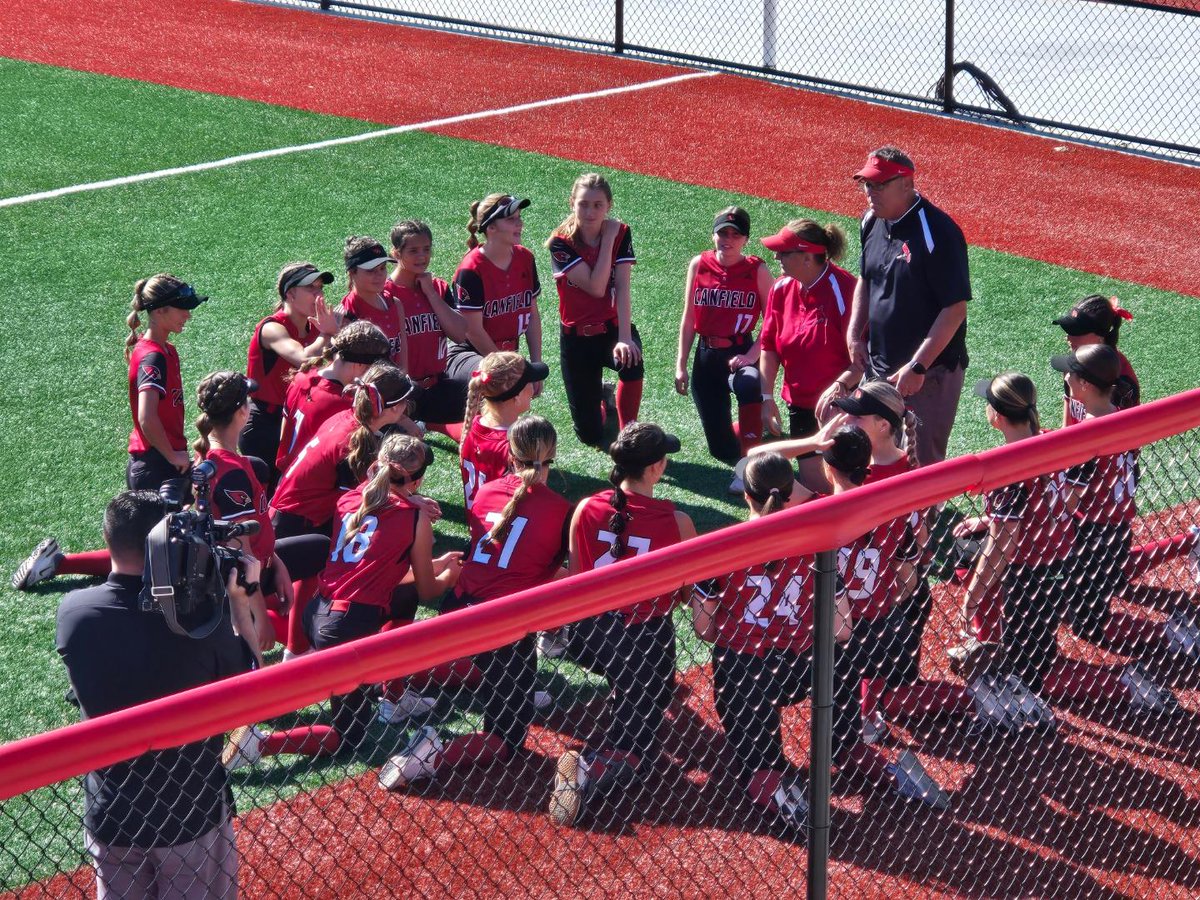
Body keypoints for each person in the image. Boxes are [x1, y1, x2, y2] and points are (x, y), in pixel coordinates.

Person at [692, 441, 947, 835]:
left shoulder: (718, 548)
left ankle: (777, 788)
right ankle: (868, 757)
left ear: (746, 494)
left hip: (747, 673)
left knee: (759, 763)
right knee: (839, 652)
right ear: (789, 488)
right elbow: (844, 627)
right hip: (808, 665)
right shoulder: (816, 543)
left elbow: (704, 630)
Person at [56, 490, 256, 899]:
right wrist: (238, 600)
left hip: (111, 812)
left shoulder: (74, 612)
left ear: (106, 536)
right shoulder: (199, 623)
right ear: (165, 542)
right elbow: (252, 684)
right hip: (189, 811)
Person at [379, 416, 571, 790]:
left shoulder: (486, 493)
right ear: (552, 455)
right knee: (508, 739)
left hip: (459, 607)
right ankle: (434, 753)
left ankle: (393, 676)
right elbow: (553, 572)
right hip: (503, 626)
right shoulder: (561, 509)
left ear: (510, 456)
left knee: (477, 669)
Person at [549, 422, 697, 827]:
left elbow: (577, 578)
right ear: (654, 469)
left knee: (634, 690)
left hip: (587, 634)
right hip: (644, 641)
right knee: (640, 751)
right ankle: (588, 768)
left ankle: (621, 696)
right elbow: (685, 597)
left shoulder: (585, 508)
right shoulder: (676, 521)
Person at [303, 434, 463, 753]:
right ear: (416, 480)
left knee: (402, 595)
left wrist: (433, 563)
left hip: (318, 611)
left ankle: (393, 695)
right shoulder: (413, 517)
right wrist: (449, 576)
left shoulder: (350, 500)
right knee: (350, 738)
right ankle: (262, 744)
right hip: (347, 628)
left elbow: (371, 566)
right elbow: (429, 587)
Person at [1051, 346, 1177, 711]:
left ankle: (1168, 635)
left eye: (1070, 374)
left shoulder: (1087, 435)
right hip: (1118, 529)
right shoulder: (1121, 416)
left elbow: (1069, 502)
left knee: (1087, 623)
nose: (1065, 379)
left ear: (1086, 385)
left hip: (1092, 536)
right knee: (1085, 608)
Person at [847, 147, 971, 468]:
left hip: (928, 374)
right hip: (878, 366)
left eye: (879, 185)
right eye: (867, 185)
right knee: (868, 451)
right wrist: (855, 334)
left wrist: (918, 366)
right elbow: (867, 278)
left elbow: (955, 309)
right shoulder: (870, 221)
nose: (870, 193)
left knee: (920, 461)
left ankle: (924, 520)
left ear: (906, 184)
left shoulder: (938, 233)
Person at [193, 371, 332, 653]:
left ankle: (295, 637)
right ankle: (297, 644)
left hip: (253, 564)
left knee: (318, 549)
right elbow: (243, 556)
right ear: (242, 412)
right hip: (235, 582)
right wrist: (258, 618)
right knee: (321, 550)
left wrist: (277, 561)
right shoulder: (230, 474)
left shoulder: (217, 456)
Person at [759, 219, 861, 489]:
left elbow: (864, 359)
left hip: (840, 406)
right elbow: (769, 345)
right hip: (800, 404)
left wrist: (840, 388)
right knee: (815, 485)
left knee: (843, 484)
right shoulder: (781, 289)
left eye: (783, 251)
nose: (776, 256)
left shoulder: (845, 291)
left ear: (806, 258)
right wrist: (766, 397)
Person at [674, 207, 773, 479]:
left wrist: (752, 356)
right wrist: (681, 364)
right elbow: (688, 317)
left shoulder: (757, 270)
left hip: (740, 350)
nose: (728, 239)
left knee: (749, 382)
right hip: (706, 355)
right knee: (722, 449)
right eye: (722, 233)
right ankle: (749, 427)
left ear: (745, 240)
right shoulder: (699, 264)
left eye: (735, 234)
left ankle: (750, 464)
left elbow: (775, 320)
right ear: (713, 235)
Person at [271, 362, 418, 540]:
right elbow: (353, 506)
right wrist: (406, 502)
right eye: (405, 401)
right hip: (295, 527)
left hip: (284, 513)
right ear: (395, 407)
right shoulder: (355, 444)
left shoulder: (347, 417)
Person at [547, 173, 642, 447]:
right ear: (572, 203)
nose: (590, 211)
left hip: (611, 329)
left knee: (632, 359)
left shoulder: (622, 232)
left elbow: (622, 287)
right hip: (576, 338)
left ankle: (630, 434)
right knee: (590, 436)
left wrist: (625, 337)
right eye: (583, 204)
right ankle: (602, 397)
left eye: (598, 205)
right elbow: (596, 287)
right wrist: (609, 237)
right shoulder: (560, 242)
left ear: (609, 206)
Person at [242, 262, 339, 489]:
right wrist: (327, 333)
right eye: (310, 288)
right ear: (290, 294)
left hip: (299, 419)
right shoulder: (271, 327)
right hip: (265, 424)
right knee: (269, 493)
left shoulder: (315, 329)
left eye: (320, 288)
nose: (318, 294)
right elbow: (303, 358)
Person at [125, 273, 208, 501]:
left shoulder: (167, 350)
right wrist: (172, 455)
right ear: (159, 310)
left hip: (161, 461)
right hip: (154, 466)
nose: (188, 315)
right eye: (181, 308)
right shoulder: (153, 356)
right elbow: (146, 417)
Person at [446, 194, 543, 388]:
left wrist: (535, 364)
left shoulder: (525, 258)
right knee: (499, 385)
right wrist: (507, 368)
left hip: (508, 353)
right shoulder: (471, 269)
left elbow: (532, 316)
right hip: (470, 354)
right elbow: (473, 331)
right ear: (491, 228)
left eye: (519, 217)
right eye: (511, 219)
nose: (520, 223)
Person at [385, 220, 470, 437]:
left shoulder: (438, 287)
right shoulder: (384, 294)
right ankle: (425, 423)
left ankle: (430, 423)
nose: (422, 256)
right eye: (413, 251)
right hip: (400, 393)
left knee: (485, 397)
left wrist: (431, 294)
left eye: (426, 249)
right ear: (396, 252)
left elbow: (459, 335)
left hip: (437, 384)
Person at [276, 321, 390, 475]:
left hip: (286, 475)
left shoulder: (303, 377)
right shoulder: (343, 403)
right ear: (359, 365)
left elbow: (285, 429)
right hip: (314, 484)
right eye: (375, 368)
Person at [459, 352, 549, 511]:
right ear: (517, 396)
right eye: (529, 381)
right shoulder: (516, 446)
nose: (533, 385)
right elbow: (535, 499)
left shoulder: (472, 425)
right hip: (508, 529)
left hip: (480, 524)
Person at [1053, 293, 1139, 426]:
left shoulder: (1121, 380)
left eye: (1077, 332)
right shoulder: (1073, 364)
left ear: (1100, 337)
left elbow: (1130, 436)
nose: (1068, 338)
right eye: (1068, 331)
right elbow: (1067, 425)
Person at [339, 236, 408, 369]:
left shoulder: (394, 303)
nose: (380, 275)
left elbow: (403, 359)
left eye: (382, 268)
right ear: (352, 272)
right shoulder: (346, 314)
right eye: (371, 271)